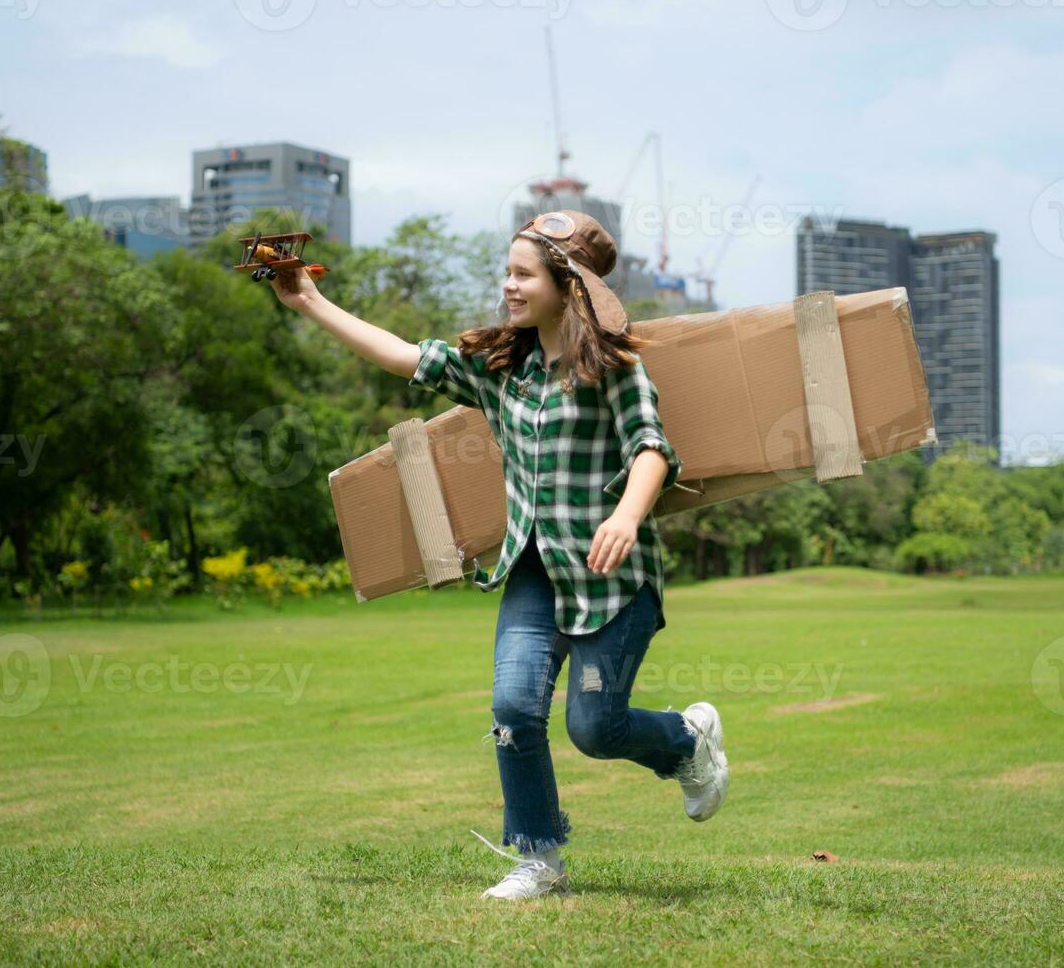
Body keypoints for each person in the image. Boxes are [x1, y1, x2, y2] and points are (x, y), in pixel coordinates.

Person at [266, 209, 729, 900]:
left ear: (565, 285)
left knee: (594, 730)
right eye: (506, 272)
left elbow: (652, 447)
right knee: (514, 710)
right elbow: (403, 356)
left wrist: (629, 515)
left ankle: (687, 744)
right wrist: (309, 300)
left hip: (610, 579)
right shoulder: (498, 368)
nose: (508, 285)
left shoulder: (614, 368)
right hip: (533, 571)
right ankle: (540, 859)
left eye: (523, 274)